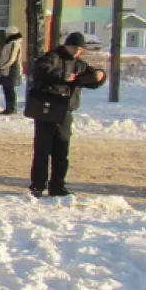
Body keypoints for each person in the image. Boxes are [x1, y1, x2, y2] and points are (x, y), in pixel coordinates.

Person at [26, 32, 106, 197]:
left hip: (66, 111)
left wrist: (99, 75)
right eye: (75, 48)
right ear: (67, 46)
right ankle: (37, 185)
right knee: (42, 150)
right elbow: (41, 71)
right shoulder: (51, 57)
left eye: (80, 50)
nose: (78, 52)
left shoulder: (79, 64)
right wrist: (63, 76)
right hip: (47, 110)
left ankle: (57, 186)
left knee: (61, 151)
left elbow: (90, 78)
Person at [0, 25, 25, 115]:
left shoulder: (14, 43)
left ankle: (11, 108)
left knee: (10, 89)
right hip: (7, 68)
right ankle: (8, 108)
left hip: (12, 69)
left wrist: (2, 66)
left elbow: (12, 58)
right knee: (6, 89)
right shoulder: (9, 43)